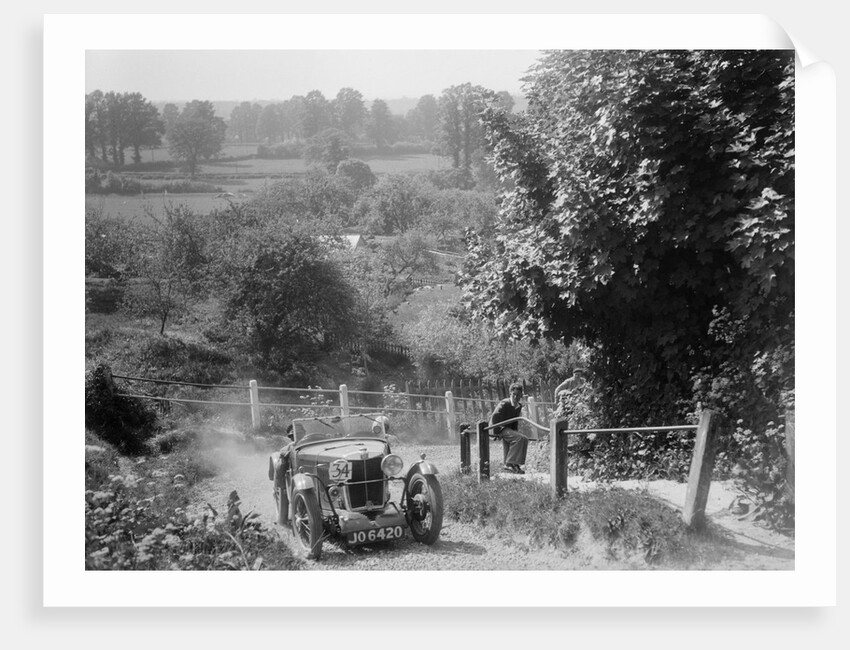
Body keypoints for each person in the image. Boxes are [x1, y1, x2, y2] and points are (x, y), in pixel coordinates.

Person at [489, 382, 528, 474]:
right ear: (510, 394)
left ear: (521, 395)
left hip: (507, 428)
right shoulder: (505, 403)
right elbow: (495, 417)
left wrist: (515, 431)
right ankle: (509, 463)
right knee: (520, 438)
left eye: (518, 395)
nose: (515, 397)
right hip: (498, 428)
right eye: (514, 394)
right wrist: (496, 432)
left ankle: (515, 464)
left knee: (524, 439)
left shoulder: (518, 406)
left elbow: (515, 420)